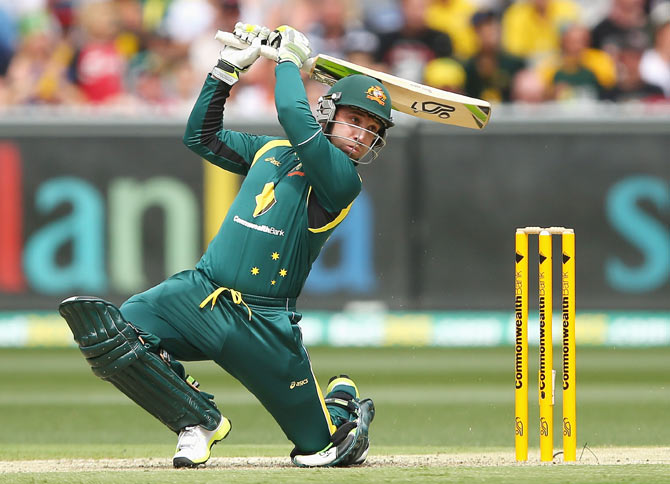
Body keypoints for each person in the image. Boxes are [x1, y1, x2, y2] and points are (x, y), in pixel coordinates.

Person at [58, 22, 393, 469]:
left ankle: (341, 406)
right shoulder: (271, 151)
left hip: (264, 324)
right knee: (115, 336)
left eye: (372, 130)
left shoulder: (342, 181)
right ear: (330, 111)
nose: (361, 136)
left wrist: (288, 63)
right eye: (355, 121)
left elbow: (294, 114)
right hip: (201, 294)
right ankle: (197, 420)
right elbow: (200, 136)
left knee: (323, 452)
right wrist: (225, 72)